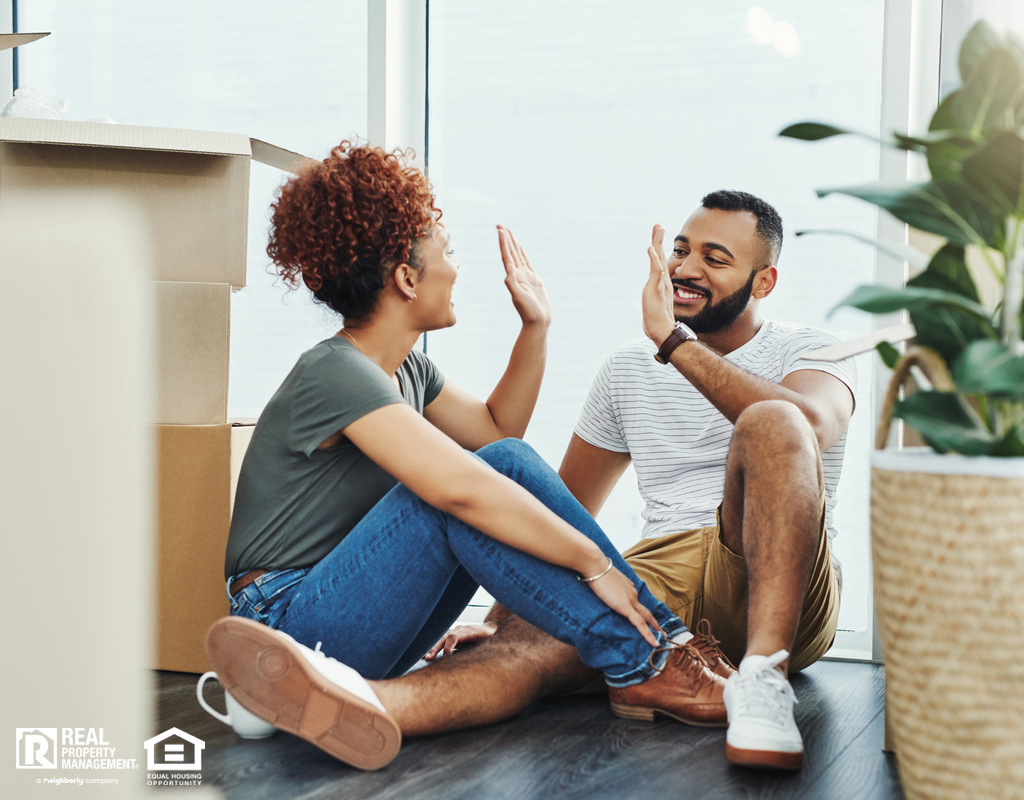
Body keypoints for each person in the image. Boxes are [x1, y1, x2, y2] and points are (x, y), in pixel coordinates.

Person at [213, 189, 855, 773]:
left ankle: (316, 693)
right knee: (481, 495)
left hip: (336, 611)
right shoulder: (337, 372)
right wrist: (586, 566)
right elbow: (467, 490)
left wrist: (536, 326)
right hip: (286, 610)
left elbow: (496, 432)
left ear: (763, 279)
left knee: (502, 464)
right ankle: (653, 660)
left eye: (714, 257)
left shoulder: (404, 372)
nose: (457, 267)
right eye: (448, 253)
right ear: (409, 278)